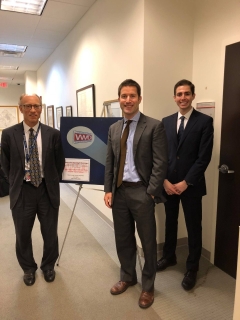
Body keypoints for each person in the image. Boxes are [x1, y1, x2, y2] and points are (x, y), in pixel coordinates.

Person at [104, 79, 168, 308]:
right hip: (120, 192)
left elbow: (161, 163)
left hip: (142, 192)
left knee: (148, 242)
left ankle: (148, 287)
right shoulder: (113, 128)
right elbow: (110, 162)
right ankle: (128, 277)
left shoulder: (153, 126)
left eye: (132, 96)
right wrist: (108, 190)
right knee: (123, 238)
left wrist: (150, 192)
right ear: (119, 99)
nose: (128, 100)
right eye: (124, 96)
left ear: (139, 99)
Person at [1, 94, 65, 286]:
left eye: (36, 106)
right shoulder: (9, 133)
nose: (33, 110)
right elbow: (4, 162)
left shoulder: (53, 134)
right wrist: (15, 181)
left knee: (50, 232)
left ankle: (48, 266)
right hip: (22, 191)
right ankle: (28, 268)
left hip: (46, 190)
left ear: (41, 108)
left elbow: (59, 162)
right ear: (20, 108)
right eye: (28, 106)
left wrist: (52, 181)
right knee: (22, 233)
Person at [156, 79, 214, 291]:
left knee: (193, 227)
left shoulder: (204, 122)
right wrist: (164, 180)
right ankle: (169, 256)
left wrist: (186, 182)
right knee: (170, 222)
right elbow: (161, 154)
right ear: (174, 97)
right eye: (179, 94)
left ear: (193, 96)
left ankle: (192, 267)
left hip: (191, 186)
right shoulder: (166, 121)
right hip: (169, 185)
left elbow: (203, 158)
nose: (183, 97)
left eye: (186, 94)